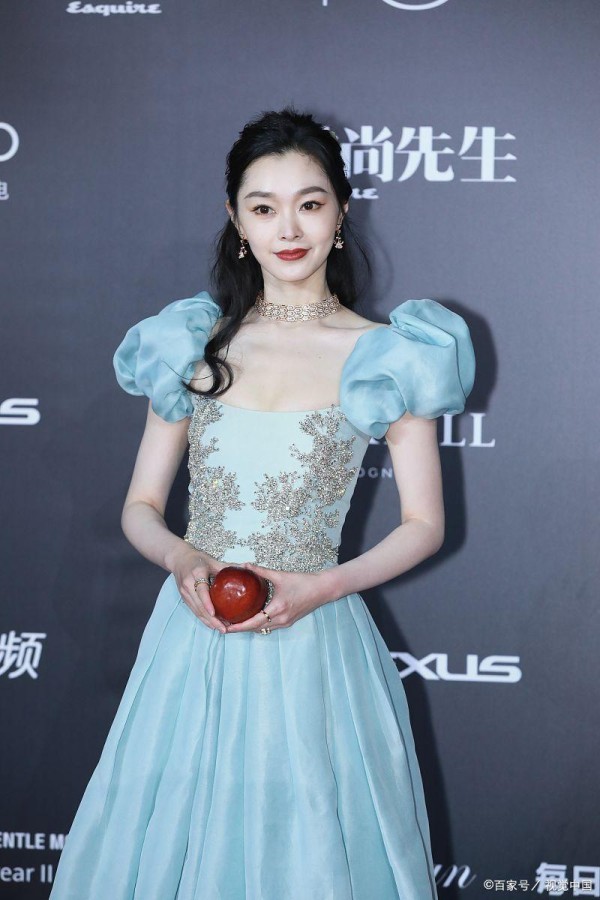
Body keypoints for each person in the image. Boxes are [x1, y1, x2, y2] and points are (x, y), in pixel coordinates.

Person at [50, 107, 475, 900]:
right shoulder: (195, 344)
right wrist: (183, 557)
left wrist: (322, 586)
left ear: (341, 213)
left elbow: (424, 525)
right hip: (193, 636)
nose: (289, 228)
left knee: (307, 845)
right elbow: (140, 504)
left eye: (310, 204)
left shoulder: (388, 354)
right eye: (264, 206)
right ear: (236, 220)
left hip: (314, 637)